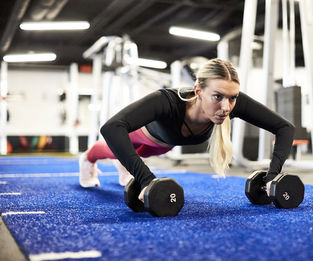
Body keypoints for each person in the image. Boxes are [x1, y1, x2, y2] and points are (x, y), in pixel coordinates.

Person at [79, 58, 295, 202]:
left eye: (232, 98)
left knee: (135, 155)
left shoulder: (233, 104)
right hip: (144, 133)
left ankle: (123, 162)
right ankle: (87, 159)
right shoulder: (167, 101)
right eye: (218, 96)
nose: (226, 107)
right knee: (112, 148)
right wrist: (146, 179)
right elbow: (111, 127)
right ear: (198, 91)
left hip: (164, 145)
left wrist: (271, 177)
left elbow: (284, 128)